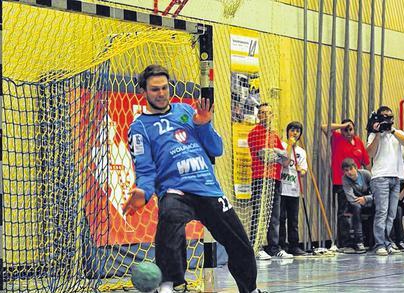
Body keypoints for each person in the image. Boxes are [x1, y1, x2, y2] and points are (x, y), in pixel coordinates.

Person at [122, 65, 263, 293]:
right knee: (169, 217)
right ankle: (170, 286)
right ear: (144, 92)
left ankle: (251, 290)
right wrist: (143, 192)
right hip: (176, 191)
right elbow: (146, 170)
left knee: (240, 244)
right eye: (155, 89)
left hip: (207, 188)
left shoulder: (186, 111)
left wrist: (203, 124)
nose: (161, 93)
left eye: (165, 88)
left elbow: (216, 149)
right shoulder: (139, 128)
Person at [248, 103, 292, 260]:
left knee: (275, 216)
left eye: (268, 113)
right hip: (260, 178)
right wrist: (278, 154)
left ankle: (274, 248)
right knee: (259, 214)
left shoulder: (274, 136)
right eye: (262, 113)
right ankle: (256, 247)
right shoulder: (254, 133)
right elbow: (264, 156)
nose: (265, 115)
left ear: (272, 115)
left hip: (275, 179)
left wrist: (277, 153)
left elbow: (286, 160)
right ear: (258, 116)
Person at [366, 105, 404, 256]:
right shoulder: (374, 134)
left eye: (390, 116)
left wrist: (391, 130)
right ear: (379, 117)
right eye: (384, 116)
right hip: (380, 177)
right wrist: (378, 133)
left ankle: (387, 242)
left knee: (391, 214)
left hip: (396, 177)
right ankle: (379, 244)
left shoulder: (397, 133)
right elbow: (370, 154)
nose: (388, 119)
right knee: (381, 212)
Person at [321, 119, 370, 249]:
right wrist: (342, 126)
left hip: (358, 183)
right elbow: (324, 127)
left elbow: (366, 162)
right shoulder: (336, 137)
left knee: (359, 209)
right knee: (343, 212)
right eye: (345, 129)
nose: (348, 132)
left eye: (350, 129)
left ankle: (361, 240)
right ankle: (345, 243)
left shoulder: (358, 141)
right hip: (341, 181)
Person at [279, 121, 308, 256]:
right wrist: (290, 145)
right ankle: (281, 246)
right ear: (288, 132)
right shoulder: (282, 145)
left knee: (293, 220)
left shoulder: (302, 152)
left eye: (297, 131)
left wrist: (300, 170)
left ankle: (294, 245)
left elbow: (304, 171)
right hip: (281, 188)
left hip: (294, 190)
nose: (295, 133)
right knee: (281, 218)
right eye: (292, 130)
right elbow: (284, 161)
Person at [341, 158, 374, 253]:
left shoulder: (366, 174)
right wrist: (361, 200)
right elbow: (350, 197)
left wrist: (366, 198)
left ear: (356, 168)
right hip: (356, 203)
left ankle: (374, 241)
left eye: (351, 169)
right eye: (346, 171)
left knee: (377, 207)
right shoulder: (345, 179)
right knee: (356, 208)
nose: (349, 172)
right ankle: (359, 242)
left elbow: (376, 193)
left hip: (369, 201)